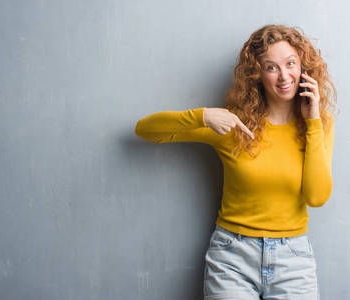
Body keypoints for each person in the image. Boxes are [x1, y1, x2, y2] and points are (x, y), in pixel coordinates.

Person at [134, 24, 336, 300]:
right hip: (233, 258)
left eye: (290, 63)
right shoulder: (232, 125)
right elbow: (145, 130)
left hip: (294, 261)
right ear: (258, 74)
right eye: (271, 67)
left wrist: (312, 120)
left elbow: (317, 196)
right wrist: (202, 116)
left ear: (303, 66)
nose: (284, 76)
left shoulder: (319, 124)